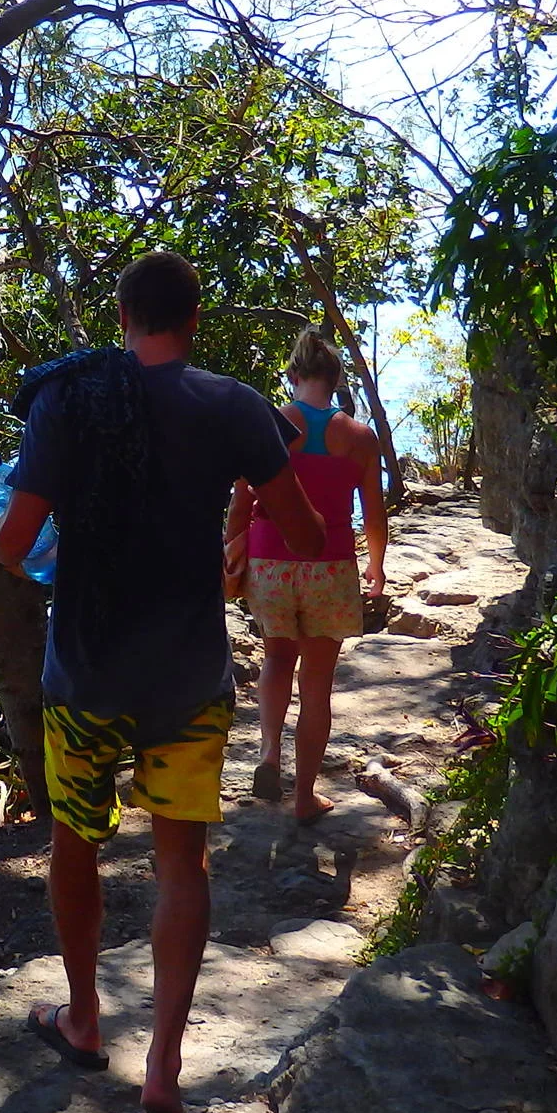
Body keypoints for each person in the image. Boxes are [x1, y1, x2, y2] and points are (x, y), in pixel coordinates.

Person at [0, 251, 323, 1113]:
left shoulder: (69, 399)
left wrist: (5, 523)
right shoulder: (237, 405)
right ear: (196, 320)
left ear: (123, 314)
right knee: (184, 864)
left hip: (87, 672)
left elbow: (12, 546)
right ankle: (165, 1075)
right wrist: (237, 530)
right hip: (187, 677)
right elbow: (303, 527)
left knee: (76, 843)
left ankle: (86, 1020)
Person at [225, 325, 388, 824]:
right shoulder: (361, 439)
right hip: (331, 566)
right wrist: (376, 571)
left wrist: (232, 550)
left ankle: (269, 753)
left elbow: (242, 499)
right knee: (316, 687)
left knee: (276, 658)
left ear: (293, 375)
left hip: (271, 562)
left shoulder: (271, 425)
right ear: (337, 380)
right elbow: (374, 513)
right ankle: (305, 798)